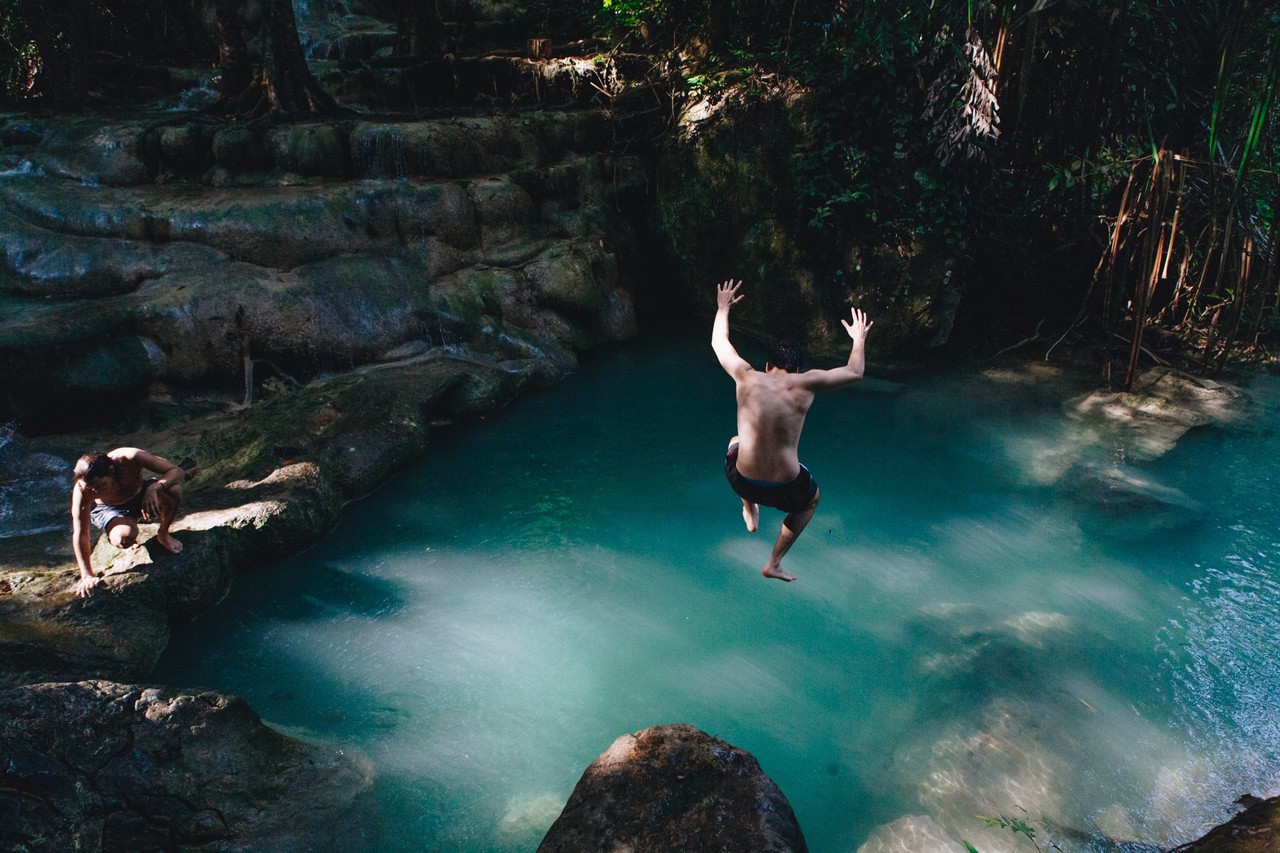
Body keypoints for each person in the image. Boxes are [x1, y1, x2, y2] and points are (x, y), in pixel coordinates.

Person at [712, 279, 873, 582]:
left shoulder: (746, 375)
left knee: (735, 441)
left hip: (740, 480)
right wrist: (858, 338)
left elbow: (719, 343)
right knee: (812, 500)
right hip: (785, 487)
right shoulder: (806, 382)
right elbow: (855, 371)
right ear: (797, 370)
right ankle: (773, 562)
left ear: (767, 364)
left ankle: (749, 509)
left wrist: (723, 308)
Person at [70, 447, 186, 598]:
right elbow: (81, 533)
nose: (94, 492)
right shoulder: (83, 490)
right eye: (89, 489)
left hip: (142, 494)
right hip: (112, 509)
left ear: (111, 471)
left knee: (174, 490)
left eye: (99, 487)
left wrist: (154, 488)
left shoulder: (130, 458)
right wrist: (86, 575)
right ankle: (124, 531)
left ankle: (163, 534)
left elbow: (177, 471)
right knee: (124, 539)